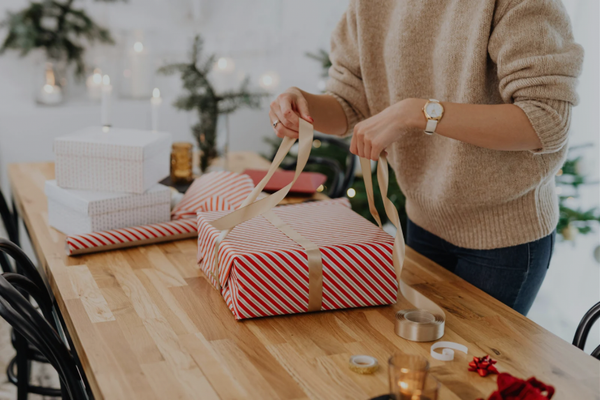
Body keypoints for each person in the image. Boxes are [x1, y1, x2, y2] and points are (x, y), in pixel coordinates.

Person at [268, 0, 583, 315]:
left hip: (504, 241)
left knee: (471, 361)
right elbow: (350, 101)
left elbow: (546, 120)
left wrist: (417, 113)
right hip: (421, 221)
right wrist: (304, 107)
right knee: (421, 357)